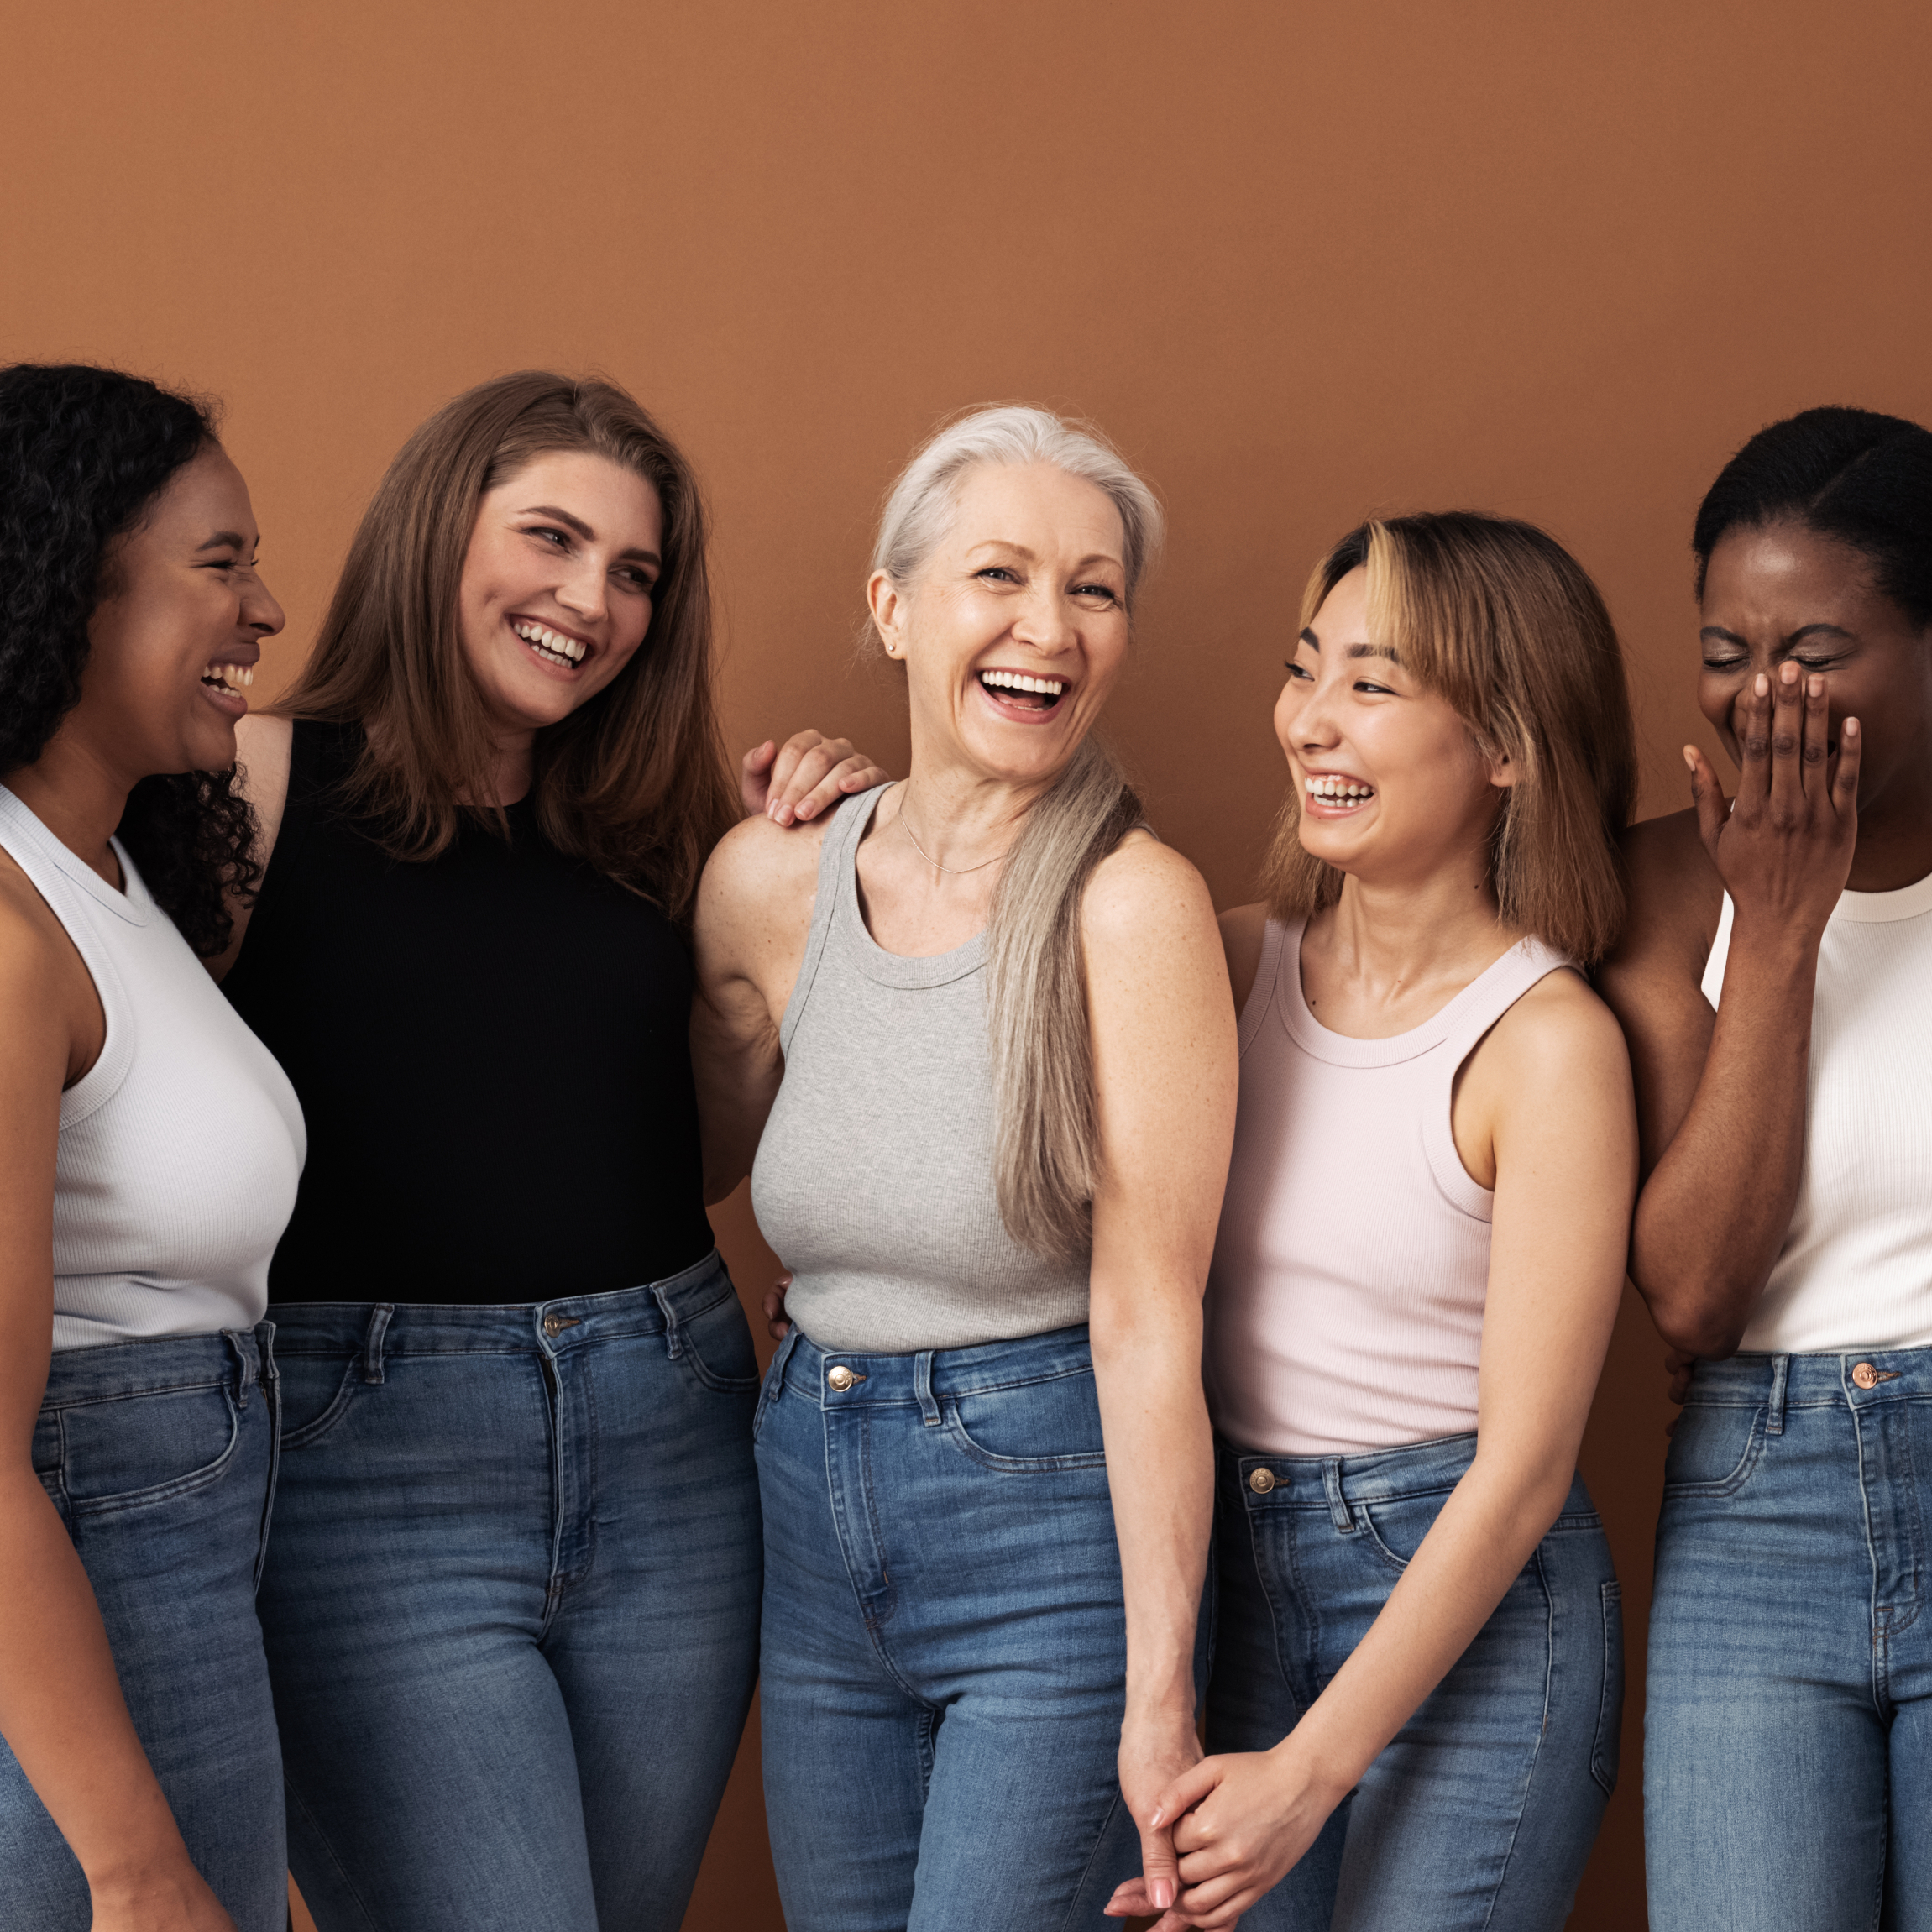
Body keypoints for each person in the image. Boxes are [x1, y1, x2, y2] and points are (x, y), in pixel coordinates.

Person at [216, 370, 885, 1932]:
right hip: (366, 1460)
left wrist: (781, 907)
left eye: (636, 573)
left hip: (674, 1431)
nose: (591, 599)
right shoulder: (248, 787)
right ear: (440, 529)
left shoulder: (664, 831)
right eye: (552, 538)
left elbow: (703, 1161)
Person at [694, 405, 1237, 1929]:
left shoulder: (1131, 909)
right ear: (891, 608)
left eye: (1094, 589)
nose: (1047, 630)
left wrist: (1160, 1683)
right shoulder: (765, 883)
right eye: (997, 575)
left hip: (1047, 1519)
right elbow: (694, 1164)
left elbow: (1149, 1322)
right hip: (807, 1495)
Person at [1112, 513, 1636, 1930]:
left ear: (1508, 745)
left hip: (1466, 1605)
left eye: (1373, 682)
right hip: (1235, 1561)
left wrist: (1308, 1772)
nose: (1309, 722)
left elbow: (1524, 1469)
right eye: (1305, 669)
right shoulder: (1217, 960)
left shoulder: (1543, 1044)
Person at [1596, 407, 1932, 1929]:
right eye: (1725, 652)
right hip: (1759, 1496)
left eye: (1815, 647)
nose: (1762, 697)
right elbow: (1692, 1288)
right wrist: (1780, 934)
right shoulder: (1665, 884)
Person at [0, 364, 304, 1932]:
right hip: (86, 1597)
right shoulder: (6, 924)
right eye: (220, 562)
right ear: (68, 577)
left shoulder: (114, 869)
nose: (263, 606)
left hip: (182, 1567)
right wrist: (130, 1862)